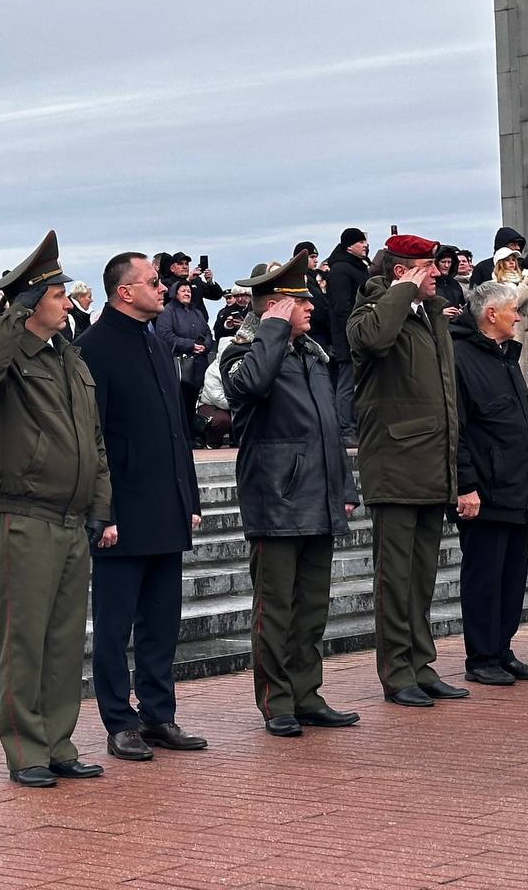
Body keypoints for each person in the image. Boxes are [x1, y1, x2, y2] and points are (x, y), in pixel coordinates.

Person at [0, 230, 111, 788]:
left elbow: (92, 441)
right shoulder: (6, 357)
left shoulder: (68, 357)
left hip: (71, 517)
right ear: (29, 303)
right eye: (55, 295)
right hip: (23, 513)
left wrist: (99, 504)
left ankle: (59, 742)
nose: (66, 302)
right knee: (25, 637)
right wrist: (9, 314)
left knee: (66, 636)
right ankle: (26, 750)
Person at [74, 251, 206, 761]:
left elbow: (176, 430)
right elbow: (95, 438)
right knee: (114, 623)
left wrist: (187, 496)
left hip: (164, 507)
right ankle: (118, 720)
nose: (164, 289)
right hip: (121, 514)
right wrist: (102, 512)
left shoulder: (154, 342)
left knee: (161, 621)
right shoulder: (93, 348)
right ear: (124, 291)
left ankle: (158, 714)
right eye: (153, 282)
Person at [221, 251, 360, 735]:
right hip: (276, 499)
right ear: (276, 307)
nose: (312, 309)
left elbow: (329, 428)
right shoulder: (244, 354)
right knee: (275, 610)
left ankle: (307, 693)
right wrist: (271, 330)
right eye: (300, 303)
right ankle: (276, 701)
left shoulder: (313, 356)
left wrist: (344, 485)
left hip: (318, 496)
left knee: (311, 609)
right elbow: (252, 386)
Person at [346, 233, 466, 707]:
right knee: (394, 578)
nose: (439, 273)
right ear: (402, 272)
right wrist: (401, 292)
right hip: (395, 466)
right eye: (428, 268)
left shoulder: (430, 315)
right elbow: (374, 340)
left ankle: (421, 663)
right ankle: (397, 672)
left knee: (420, 577)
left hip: (432, 463)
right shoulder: (369, 313)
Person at [450, 283, 528, 686]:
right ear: (491, 314)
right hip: (485, 491)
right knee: (485, 577)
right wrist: (466, 485)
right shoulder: (460, 358)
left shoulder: (506, 357)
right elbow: (457, 430)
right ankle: (481, 655)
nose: (519, 317)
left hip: (516, 486)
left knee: (511, 578)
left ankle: (501, 649)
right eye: (513, 310)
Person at [324, 227, 372, 445]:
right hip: (349, 335)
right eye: (361, 242)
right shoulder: (342, 270)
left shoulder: (355, 266)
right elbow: (341, 307)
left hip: (358, 331)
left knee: (357, 382)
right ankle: (346, 428)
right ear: (349, 245)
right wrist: (354, 329)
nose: (365, 245)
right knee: (347, 383)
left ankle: (355, 426)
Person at [155, 279, 212, 437]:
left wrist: (205, 346)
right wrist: (190, 345)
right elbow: (165, 335)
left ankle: (193, 435)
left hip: (199, 365)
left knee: (193, 403)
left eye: (189, 291)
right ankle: (183, 436)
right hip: (180, 367)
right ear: (175, 293)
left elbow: (208, 333)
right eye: (183, 291)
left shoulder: (197, 312)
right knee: (180, 403)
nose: (187, 293)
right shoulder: (168, 311)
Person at [491, 246, 528, 384]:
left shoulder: (522, 279)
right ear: (500, 263)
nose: (512, 262)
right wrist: (525, 287)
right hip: (514, 330)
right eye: (507, 260)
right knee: (519, 373)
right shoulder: (496, 284)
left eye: (514, 259)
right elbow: (511, 304)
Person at [158, 252, 224, 321]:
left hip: (200, 324)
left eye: (186, 263)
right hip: (179, 324)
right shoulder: (166, 282)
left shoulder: (196, 281)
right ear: (172, 268)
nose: (184, 266)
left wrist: (210, 282)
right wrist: (188, 280)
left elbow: (217, 296)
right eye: (180, 264)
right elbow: (170, 297)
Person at [296, 241, 333, 352]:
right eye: (312, 257)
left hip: (318, 333)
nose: (316, 260)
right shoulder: (301, 279)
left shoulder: (313, 278)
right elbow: (318, 307)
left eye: (316, 257)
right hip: (311, 333)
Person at [434, 245, 466, 312]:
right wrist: (440, 312)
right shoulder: (429, 282)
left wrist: (461, 311)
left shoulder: (454, 283)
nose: (446, 265)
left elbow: (462, 303)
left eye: (449, 262)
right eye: (443, 262)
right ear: (436, 263)